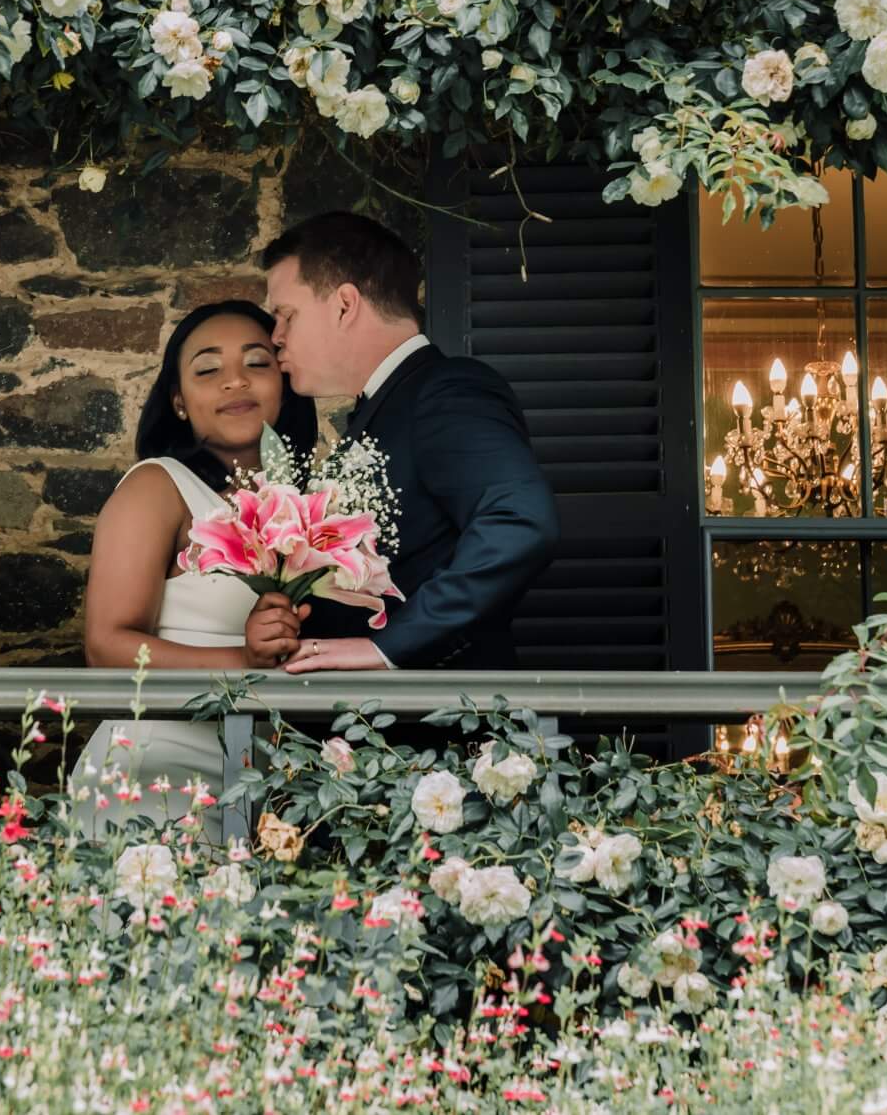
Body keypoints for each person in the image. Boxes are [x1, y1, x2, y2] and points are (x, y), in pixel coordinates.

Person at [260, 210, 559, 673]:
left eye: (286, 315)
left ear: (344, 304)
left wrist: (388, 648)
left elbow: (519, 521)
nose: (276, 337)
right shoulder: (383, 407)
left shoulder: (447, 391)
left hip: (430, 725)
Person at [69, 300, 317, 830]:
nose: (235, 382)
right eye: (208, 369)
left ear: (285, 381)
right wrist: (245, 659)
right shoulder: (158, 486)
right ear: (179, 402)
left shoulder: (310, 505)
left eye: (257, 363)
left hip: (272, 783)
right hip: (159, 770)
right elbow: (106, 646)